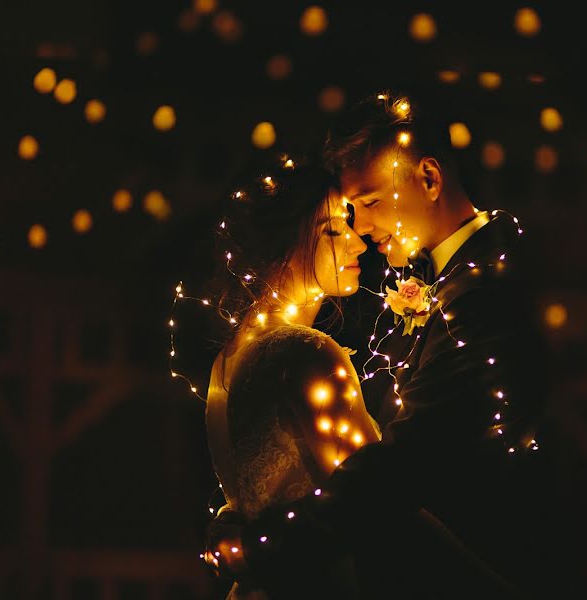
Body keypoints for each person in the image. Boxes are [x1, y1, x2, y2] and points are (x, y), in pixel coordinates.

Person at [210, 92, 554, 597]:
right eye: (347, 215)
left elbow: (401, 469)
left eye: (368, 203)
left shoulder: (483, 294)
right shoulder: (452, 283)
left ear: (430, 179)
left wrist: (259, 542)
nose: (362, 230)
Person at [202, 159, 377, 598]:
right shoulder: (303, 354)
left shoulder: (226, 361)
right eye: (335, 231)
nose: (359, 245)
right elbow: (377, 499)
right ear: (287, 243)